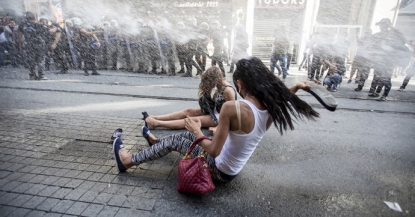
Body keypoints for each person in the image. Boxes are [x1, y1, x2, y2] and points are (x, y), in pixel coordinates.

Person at [112, 57, 320, 183]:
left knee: (179, 139)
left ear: (239, 83)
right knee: (181, 137)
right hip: (233, 170)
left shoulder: (233, 107)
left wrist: (197, 130)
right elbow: (283, 95)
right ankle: (156, 144)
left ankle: (128, 161)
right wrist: (297, 87)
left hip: (219, 171)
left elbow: (213, 151)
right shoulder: (273, 107)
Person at [142, 66, 236, 132]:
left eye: (209, 82)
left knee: (189, 120)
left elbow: (232, 115)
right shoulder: (219, 85)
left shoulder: (228, 91)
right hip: (214, 111)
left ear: (215, 80)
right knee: (188, 111)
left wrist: (218, 128)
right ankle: (156, 117)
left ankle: (156, 123)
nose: (208, 85)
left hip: (220, 118)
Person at [368, 18, 407, 101]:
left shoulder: (393, 34)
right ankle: (377, 92)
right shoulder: (380, 34)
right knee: (378, 77)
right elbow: (372, 42)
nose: (381, 27)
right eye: (381, 25)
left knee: (386, 78)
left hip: (389, 61)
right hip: (380, 60)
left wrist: (391, 27)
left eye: (383, 24)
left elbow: (403, 39)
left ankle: (384, 96)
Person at [18, 11, 59, 80]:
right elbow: (50, 31)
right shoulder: (37, 25)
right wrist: (57, 27)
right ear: (34, 17)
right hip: (39, 44)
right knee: (41, 60)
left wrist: (21, 44)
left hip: (30, 44)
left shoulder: (22, 25)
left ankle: (32, 75)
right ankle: (41, 75)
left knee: (32, 60)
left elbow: (19, 35)